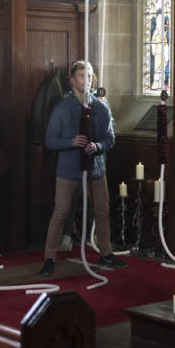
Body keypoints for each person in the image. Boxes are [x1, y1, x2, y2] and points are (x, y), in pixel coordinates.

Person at [39, 60, 125, 277]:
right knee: (60, 212)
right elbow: (49, 140)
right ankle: (49, 259)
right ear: (72, 80)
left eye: (89, 76)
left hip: (95, 166)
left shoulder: (101, 107)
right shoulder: (62, 108)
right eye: (81, 76)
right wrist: (70, 141)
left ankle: (106, 253)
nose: (85, 80)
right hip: (68, 168)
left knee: (103, 210)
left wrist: (99, 146)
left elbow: (110, 138)